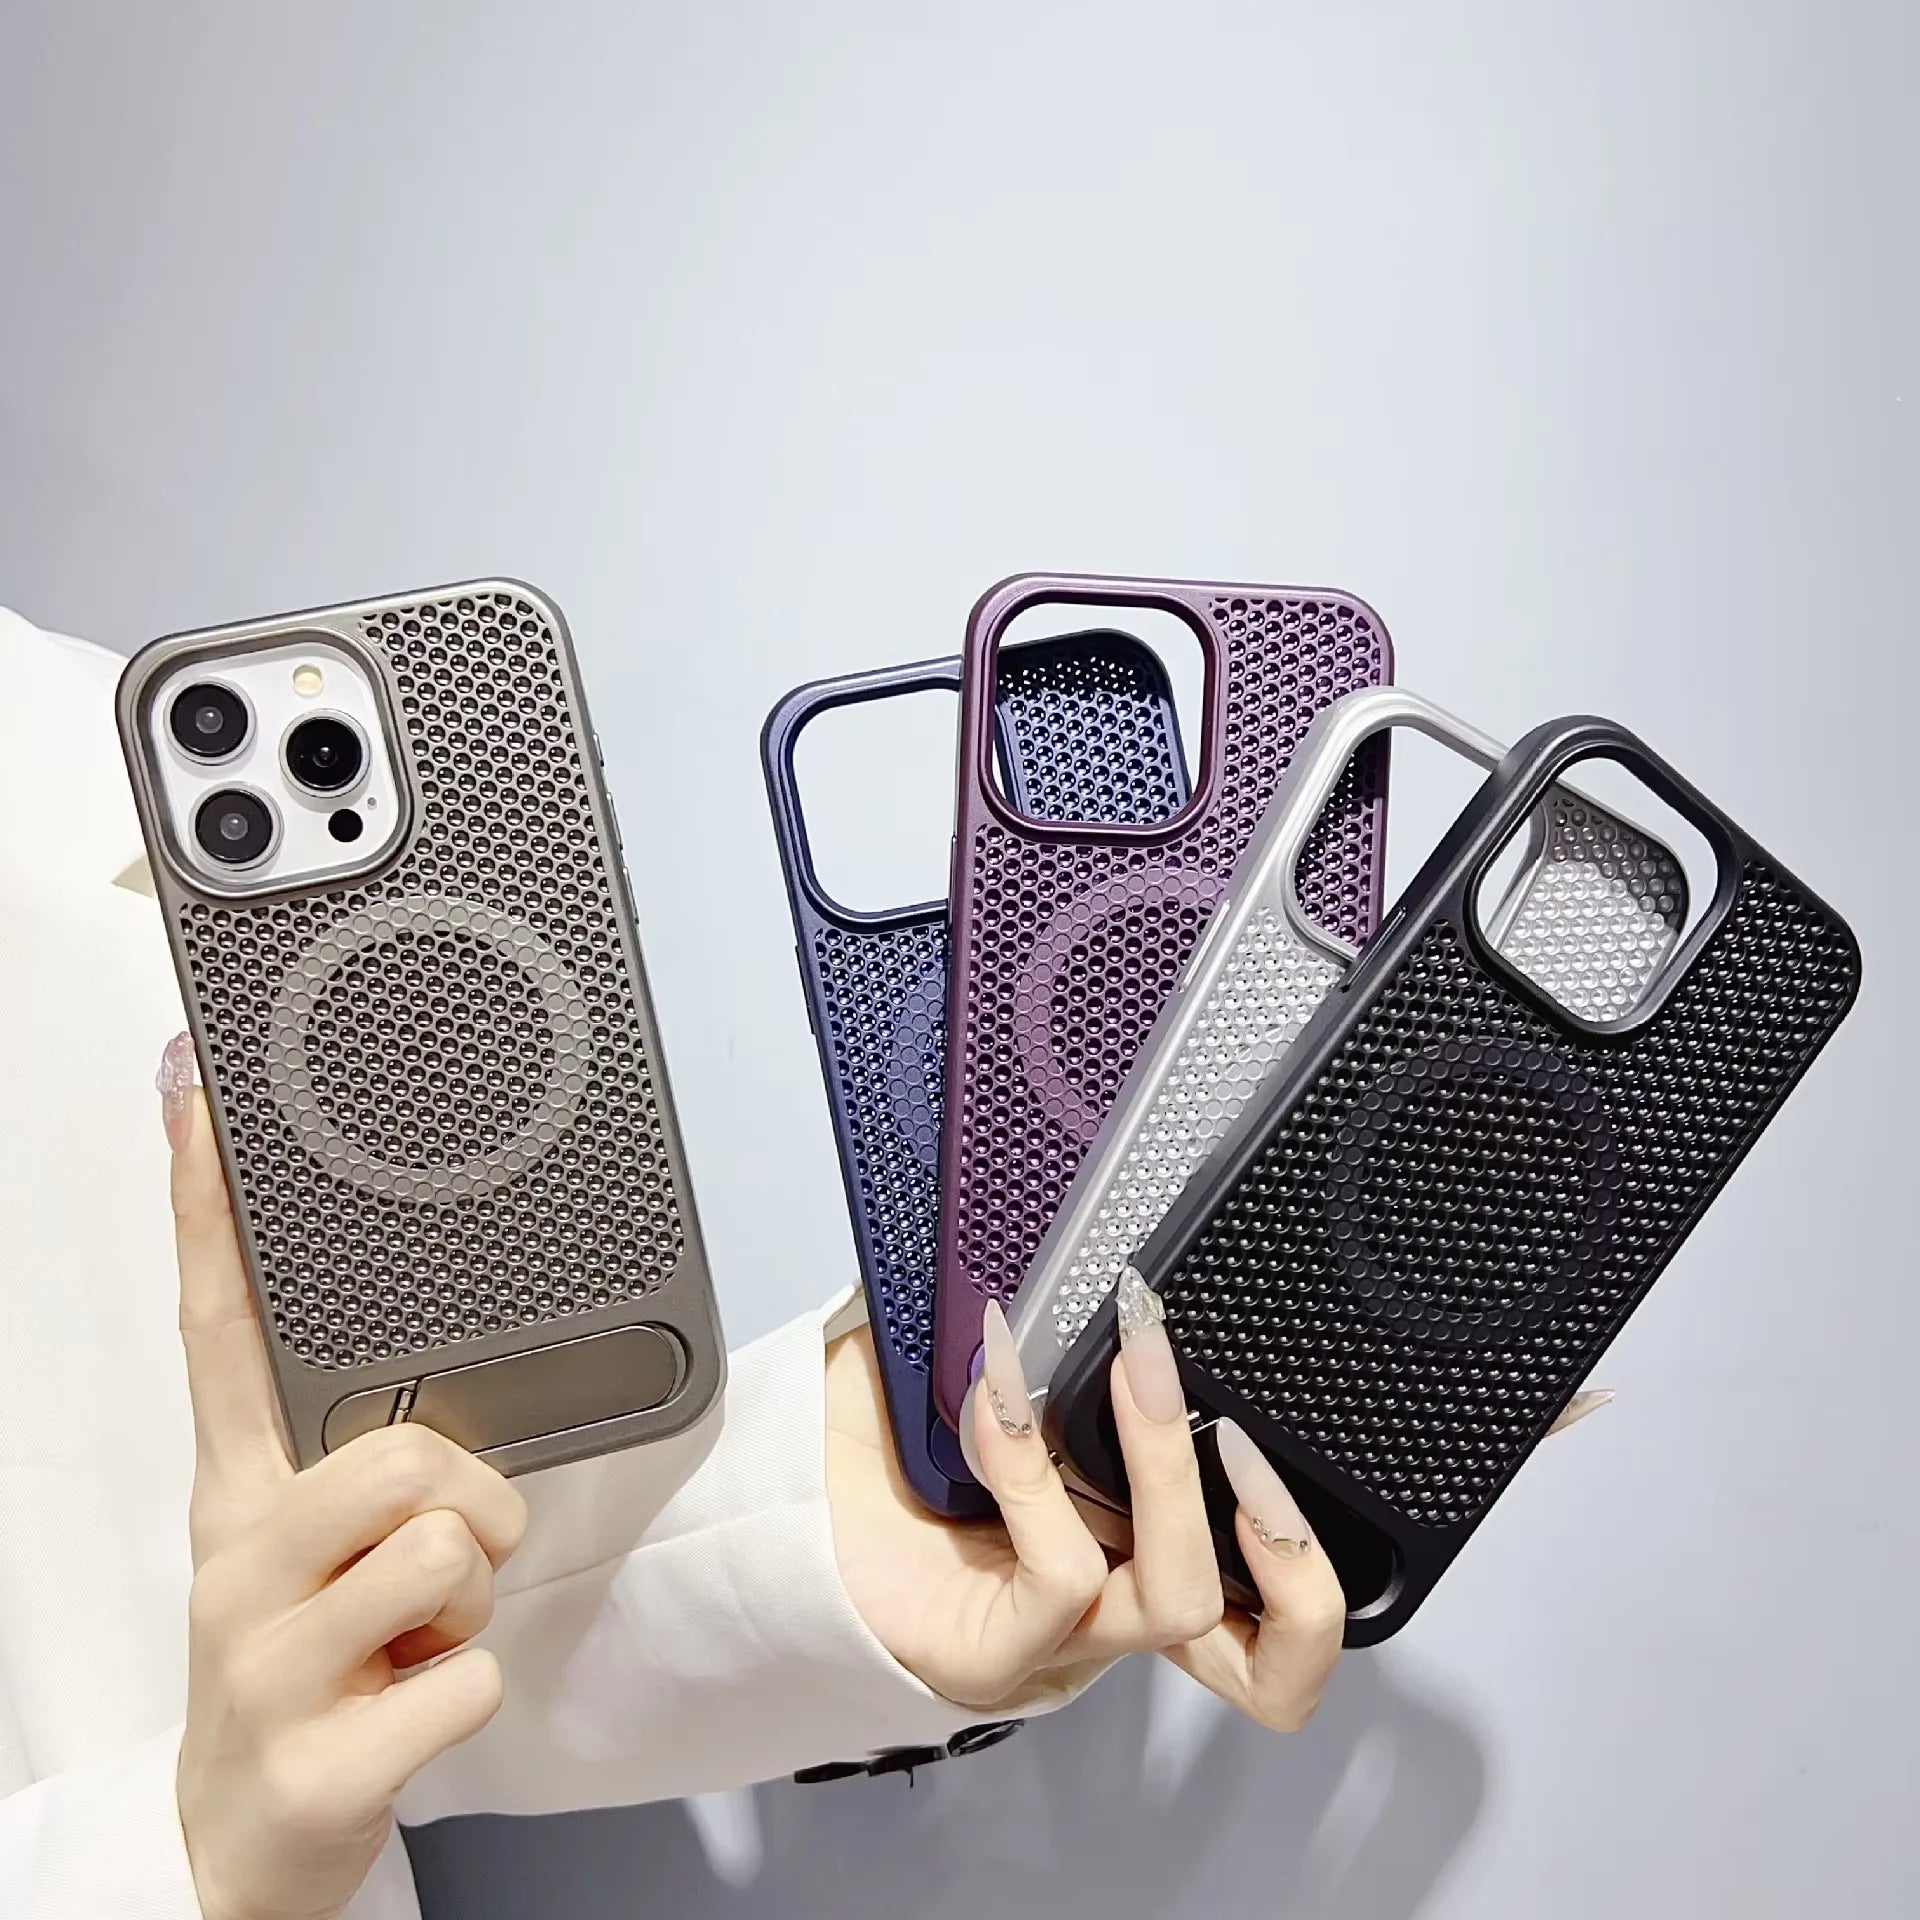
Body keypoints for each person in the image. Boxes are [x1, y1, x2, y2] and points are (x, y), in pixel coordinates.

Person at [0, 605, 1601, 1919]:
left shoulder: (92, 742)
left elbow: (380, 1638)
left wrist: (861, 1513)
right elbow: (216, 1768)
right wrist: (180, 1869)